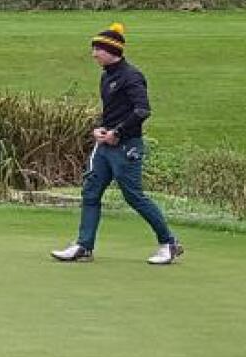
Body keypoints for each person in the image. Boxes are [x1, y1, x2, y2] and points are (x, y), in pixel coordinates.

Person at [52, 22, 182, 266]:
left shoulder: (132, 77)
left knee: (134, 196)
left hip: (126, 146)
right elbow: (111, 110)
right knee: (90, 193)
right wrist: (101, 127)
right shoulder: (106, 77)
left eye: (98, 49)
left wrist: (117, 132)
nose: (94, 54)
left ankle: (169, 243)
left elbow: (142, 110)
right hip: (105, 146)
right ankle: (84, 245)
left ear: (112, 51)